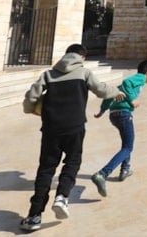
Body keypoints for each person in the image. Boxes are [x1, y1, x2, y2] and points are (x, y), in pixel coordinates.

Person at [19, 44, 125, 232]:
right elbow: (101, 90)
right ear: (82, 57)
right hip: (75, 127)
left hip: (51, 128)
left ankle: (34, 215)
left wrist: (29, 109)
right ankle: (62, 196)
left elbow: (32, 95)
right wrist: (116, 92)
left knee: (46, 169)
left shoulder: (48, 74)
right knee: (73, 161)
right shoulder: (84, 73)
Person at [90, 59, 147, 197]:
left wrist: (102, 111)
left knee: (126, 144)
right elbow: (126, 82)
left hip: (114, 115)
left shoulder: (135, 82)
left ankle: (125, 169)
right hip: (124, 115)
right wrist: (132, 100)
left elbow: (113, 93)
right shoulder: (141, 78)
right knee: (128, 147)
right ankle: (102, 174)